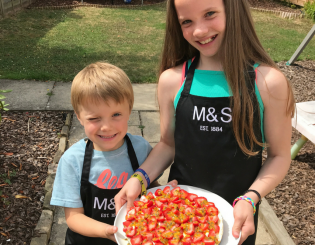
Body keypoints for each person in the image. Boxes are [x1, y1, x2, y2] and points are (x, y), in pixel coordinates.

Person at [114, 0, 295, 244]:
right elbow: (168, 144)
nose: (199, 31)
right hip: (178, 217)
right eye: (186, 21)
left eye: (210, 14)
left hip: (238, 219)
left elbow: (279, 156)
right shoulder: (172, 81)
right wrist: (139, 178)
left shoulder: (268, 83)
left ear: (233, 11)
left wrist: (251, 197)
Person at [50, 62, 159, 245]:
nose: (107, 127)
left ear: (129, 110)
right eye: (94, 118)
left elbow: (149, 185)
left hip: (135, 237)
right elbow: (73, 217)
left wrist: (165, 193)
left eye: (116, 114)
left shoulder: (141, 149)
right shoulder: (72, 161)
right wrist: (107, 231)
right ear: (79, 116)